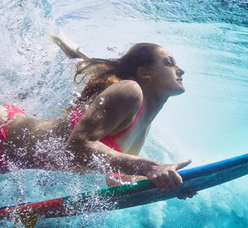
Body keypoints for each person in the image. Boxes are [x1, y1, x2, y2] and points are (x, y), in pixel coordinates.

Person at [0, 36, 191, 191]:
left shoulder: (144, 122)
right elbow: (76, 148)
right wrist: (150, 167)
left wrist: (169, 185)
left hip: (10, 160)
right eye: (169, 63)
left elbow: (117, 179)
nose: (180, 69)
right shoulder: (129, 91)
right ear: (145, 72)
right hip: (4, 133)